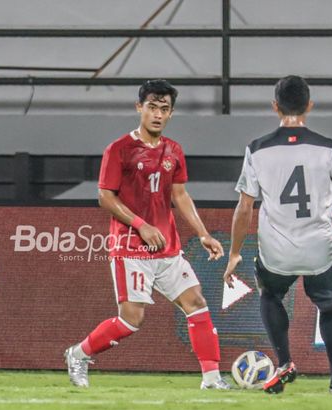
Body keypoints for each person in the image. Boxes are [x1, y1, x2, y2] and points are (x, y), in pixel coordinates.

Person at [223, 75, 332, 395]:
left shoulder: (256, 150)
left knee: (270, 295)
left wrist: (235, 252)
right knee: (329, 308)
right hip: (319, 248)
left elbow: (244, 208)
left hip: (276, 250)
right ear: (309, 106)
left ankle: (284, 363)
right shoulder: (330, 149)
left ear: (274, 107)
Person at [65, 79, 230, 390]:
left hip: (167, 248)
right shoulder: (118, 150)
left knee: (196, 301)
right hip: (130, 249)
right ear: (139, 107)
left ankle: (211, 378)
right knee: (131, 320)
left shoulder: (174, 151)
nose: (157, 114)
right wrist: (140, 224)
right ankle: (79, 353)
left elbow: (180, 196)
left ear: (170, 114)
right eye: (152, 107)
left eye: (164, 109)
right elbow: (105, 196)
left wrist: (204, 233)